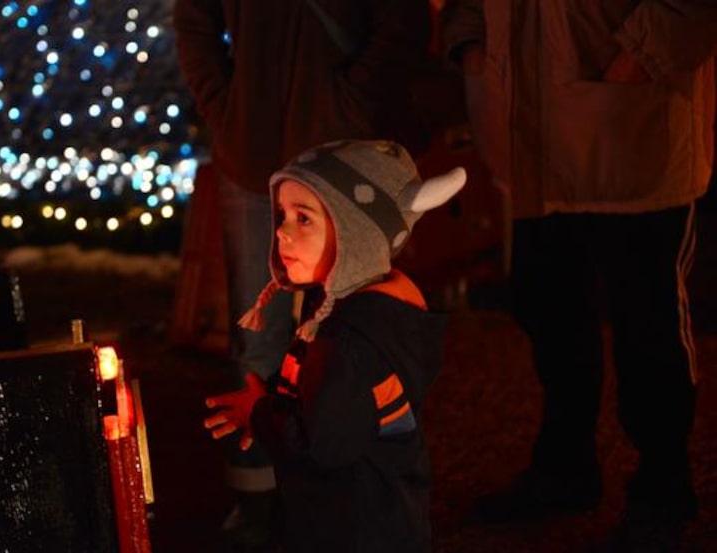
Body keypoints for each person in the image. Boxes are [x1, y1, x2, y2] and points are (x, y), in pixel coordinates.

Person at [440, 2, 717, 550]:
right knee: (549, 314)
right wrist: (472, 46)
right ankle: (565, 468)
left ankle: (663, 487)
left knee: (648, 329)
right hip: (534, 139)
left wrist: (634, 59)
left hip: (630, 130)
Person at [172, 1, 431, 546]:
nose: (284, 235)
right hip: (255, 138)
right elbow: (195, 20)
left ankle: (347, 492)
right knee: (260, 338)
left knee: (354, 323)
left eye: (296, 222)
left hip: (340, 147)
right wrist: (229, 107)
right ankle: (264, 499)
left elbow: (399, 20)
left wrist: (350, 101)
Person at [203, 139, 466, 552]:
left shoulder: (352, 342)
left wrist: (261, 413)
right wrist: (271, 395)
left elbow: (322, 443)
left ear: (356, 236)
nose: (282, 231)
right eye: (283, 215)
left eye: (304, 218)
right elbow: (313, 386)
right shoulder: (339, 310)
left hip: (359, 530)